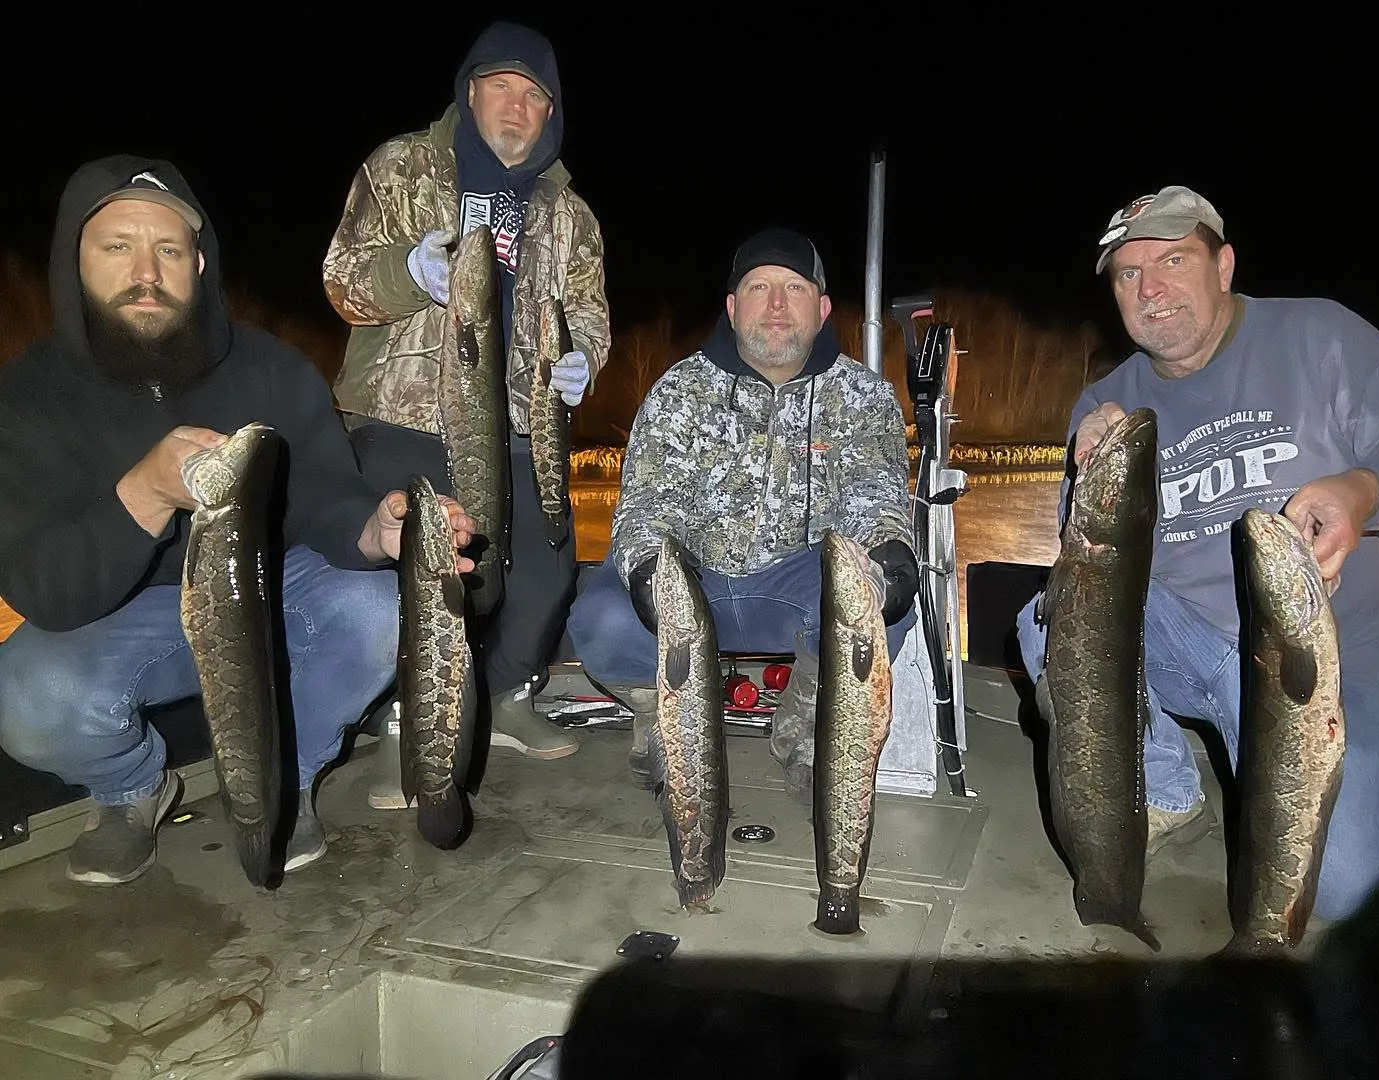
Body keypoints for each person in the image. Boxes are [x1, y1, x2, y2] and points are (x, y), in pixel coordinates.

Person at [0, 155, 476, 886]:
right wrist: (145, 494)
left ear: (197, 262)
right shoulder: (26, 395)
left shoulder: (271, 368)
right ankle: (131, 790)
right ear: (75, 259)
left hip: (269, 592)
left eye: (167, 250)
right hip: (120, 615)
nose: (146, 272)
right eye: (118, 246)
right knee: (26, 696)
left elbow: (321, 490)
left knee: (381, 609)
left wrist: (372, 530)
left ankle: (289, 778)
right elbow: (42, 586)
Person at [1015, 185, 1379, 922]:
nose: (1150, 289)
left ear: (1224, 265)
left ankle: (1362, 804)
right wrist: (1094, 473)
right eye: (1128, 273)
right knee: (1046, 623)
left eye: (1173, 260)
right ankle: (1166, 787)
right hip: (1181, 641)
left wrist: (1364, 491)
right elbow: (1085, 570)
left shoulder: (1319, 337)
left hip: (1316, 661)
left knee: (1348, 896)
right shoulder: (1109, 402)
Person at [323, 19, 611, 797]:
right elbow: (342, 279)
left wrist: (584, 358)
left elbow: (590, 312)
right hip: (404, 416)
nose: (517, 108)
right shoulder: (402, 167)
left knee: (546, 565)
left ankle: (507, 694)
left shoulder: (569, 214)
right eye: (502, 87)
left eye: (534, 96)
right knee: (429, 570)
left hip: (522, 422)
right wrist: (408, 273)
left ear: (550, 113)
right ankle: (406, 724)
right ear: (470, 92)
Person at [566, 227, 920, 794]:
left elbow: (873, 495)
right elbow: (648, 505)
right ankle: (663, 716)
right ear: (732, 308)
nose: (777, 304)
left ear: (823, 309)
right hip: (692, 586)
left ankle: (808, 724)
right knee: (600, 619)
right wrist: (652, 570)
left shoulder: (864, 395)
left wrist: (891, 551)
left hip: (795, 591)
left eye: (794, 288)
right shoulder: (679, 390)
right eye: (759, 288)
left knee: (882, 609)